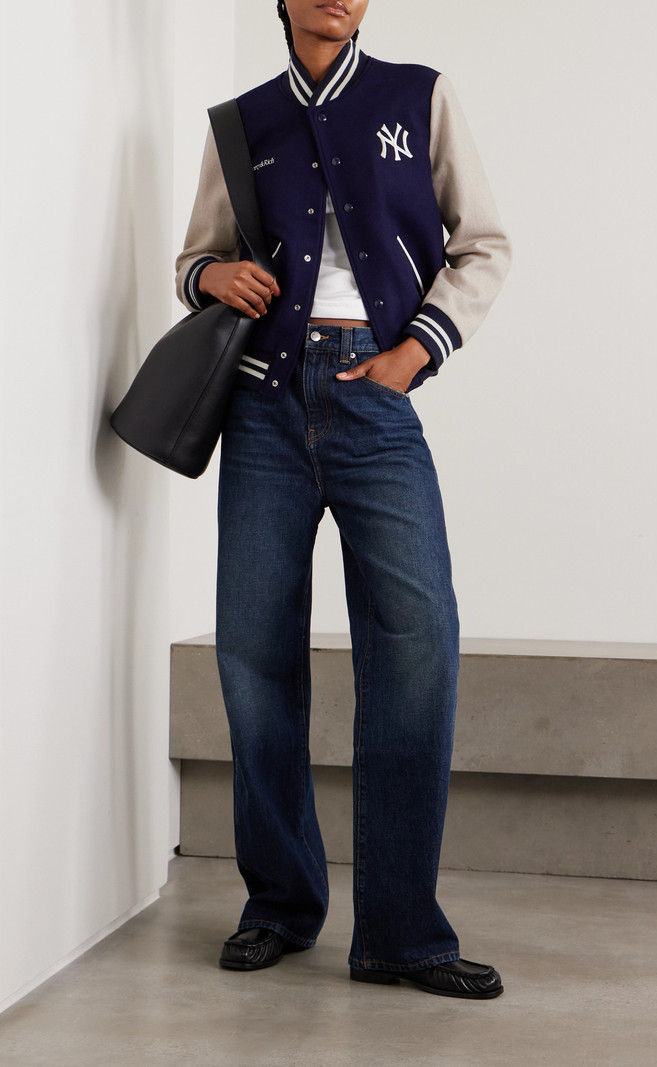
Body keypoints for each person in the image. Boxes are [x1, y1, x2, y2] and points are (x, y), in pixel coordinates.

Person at [176, 0, 511, 1000]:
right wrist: (214, 275)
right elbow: (195, 258)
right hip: (264, 409)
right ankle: (279, 905)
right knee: (254, 656)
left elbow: (483, 243)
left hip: (375, 396)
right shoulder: (240, 121)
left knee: (416, 646)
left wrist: (416, 351)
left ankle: (401, 931)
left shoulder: (419, 97)